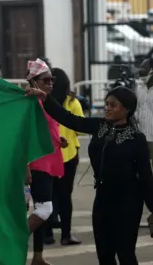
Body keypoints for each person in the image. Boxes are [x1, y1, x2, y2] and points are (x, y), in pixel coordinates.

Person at [26, 85, 153, 265]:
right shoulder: (99, 126)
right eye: (107, 103)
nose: (108, 108)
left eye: (113, 105)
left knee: (125, 254)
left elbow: (147, 178)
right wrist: (46, 98)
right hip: (102, 199)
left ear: (127, 109)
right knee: (104, 254)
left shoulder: (136, 139)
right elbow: (69, 119)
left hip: (128, 203)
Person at [25, 59, 65, 265]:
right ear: (34, 81)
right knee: (45, 210)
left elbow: (46, 130)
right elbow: (22, 135)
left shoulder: (44, 101)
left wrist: (59, 140)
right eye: (46, 80)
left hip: (49, 161)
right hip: (36, 163)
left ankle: (38, 257)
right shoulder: (30, 103)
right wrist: (25, 166)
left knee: (40, 209)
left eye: (52, 80)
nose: (50, 84)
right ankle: (12, 240)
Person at [45, 68, 83, 246]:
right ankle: (66, 235)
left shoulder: (43, 102)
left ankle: (47, 234)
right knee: (65, 196)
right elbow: (80, 126)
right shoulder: (73, 102)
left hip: (46, 156)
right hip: (69, 157)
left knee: (47, 195)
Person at [136, 57, 153, 167]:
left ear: (152, 70)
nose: (140, 70)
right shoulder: (140, 88)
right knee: (143, 170)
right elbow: (138, 110)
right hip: (141, 138)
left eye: (144, 67)